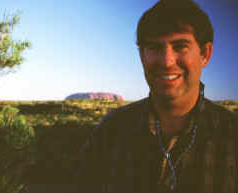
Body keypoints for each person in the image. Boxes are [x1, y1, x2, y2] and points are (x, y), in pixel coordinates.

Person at [72, 0, 238, 193]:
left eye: (180, 46)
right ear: (142, 56)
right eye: (155, 48)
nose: (167, 62)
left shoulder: (231, 136)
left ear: (205, 54)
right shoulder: (110, 132)